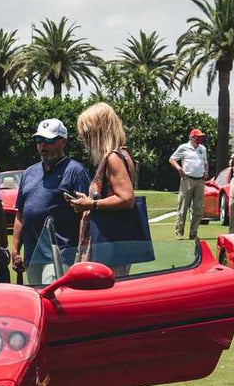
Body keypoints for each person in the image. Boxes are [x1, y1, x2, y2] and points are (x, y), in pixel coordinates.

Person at [10, 119, 91, 285]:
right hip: (32, 256)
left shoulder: (76, 171)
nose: (42, 147)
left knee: (53, 302)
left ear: (63, 142)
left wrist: (83, 253)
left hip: (60, 255)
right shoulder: (29, 173)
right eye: (39, 141)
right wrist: (15, 249)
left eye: (48, 141)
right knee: (37, 301)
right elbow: (21, 215)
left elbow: (86, 215)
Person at [69, 102, 139, 274]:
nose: (85, 140)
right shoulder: (122, 155)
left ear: (100, 131)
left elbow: (126, 198)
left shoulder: (113, 158)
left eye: (88, 134)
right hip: (114, 242)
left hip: (108, 244)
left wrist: (90, 204)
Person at [169, 128, 208, 240]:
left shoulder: (202, 149)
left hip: (200, 180)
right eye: (198, 137)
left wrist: (206, 172)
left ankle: (193, 233)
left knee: (198, 208)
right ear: (192, 137)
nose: (200, 139)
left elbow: (205, 162)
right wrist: (179, 169)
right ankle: (179, 231)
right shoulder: (184, 147)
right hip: (187, 179)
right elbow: (172, 159)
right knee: (183, 207)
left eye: (201, 137)